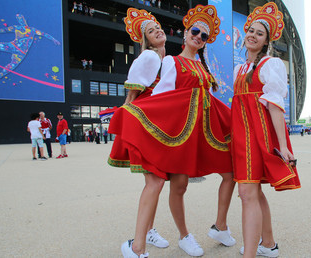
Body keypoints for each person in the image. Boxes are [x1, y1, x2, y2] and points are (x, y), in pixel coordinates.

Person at [112, 5, 235, 257]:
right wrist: (133, 111)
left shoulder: (204, 68)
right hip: (179, 136)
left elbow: (211, 104)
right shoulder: (171, 61)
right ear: (186, 32)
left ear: (204, 43)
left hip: (203, 136)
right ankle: (184, 235)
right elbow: (161, 96)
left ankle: (220, 226)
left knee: (231, 173)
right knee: (178, 187)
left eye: (204, 36)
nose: (198, 36)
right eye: (196, 31)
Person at [231, 3, 300, 257]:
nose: (252, 34)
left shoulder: (271, 65)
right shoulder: (240, 69)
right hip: (241, 136)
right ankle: (268, 244)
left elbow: (274, 105)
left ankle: (250, 253)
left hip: (259, 134)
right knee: (253, 192)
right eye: (250, 30)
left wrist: (282, 145)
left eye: (259, 33)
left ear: (266, 41)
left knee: (247, 193)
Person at [108, 8, 169, 258]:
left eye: (158, 28)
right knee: (155, 181)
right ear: (146, 39)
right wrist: (127, 113)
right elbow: (133, 90)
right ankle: (137, 245)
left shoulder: (164, 59)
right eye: (151, 31)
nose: (157, 31)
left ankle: (148, 231)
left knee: (155, 181)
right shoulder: (151, 57)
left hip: (154, 119)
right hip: (146, 119)